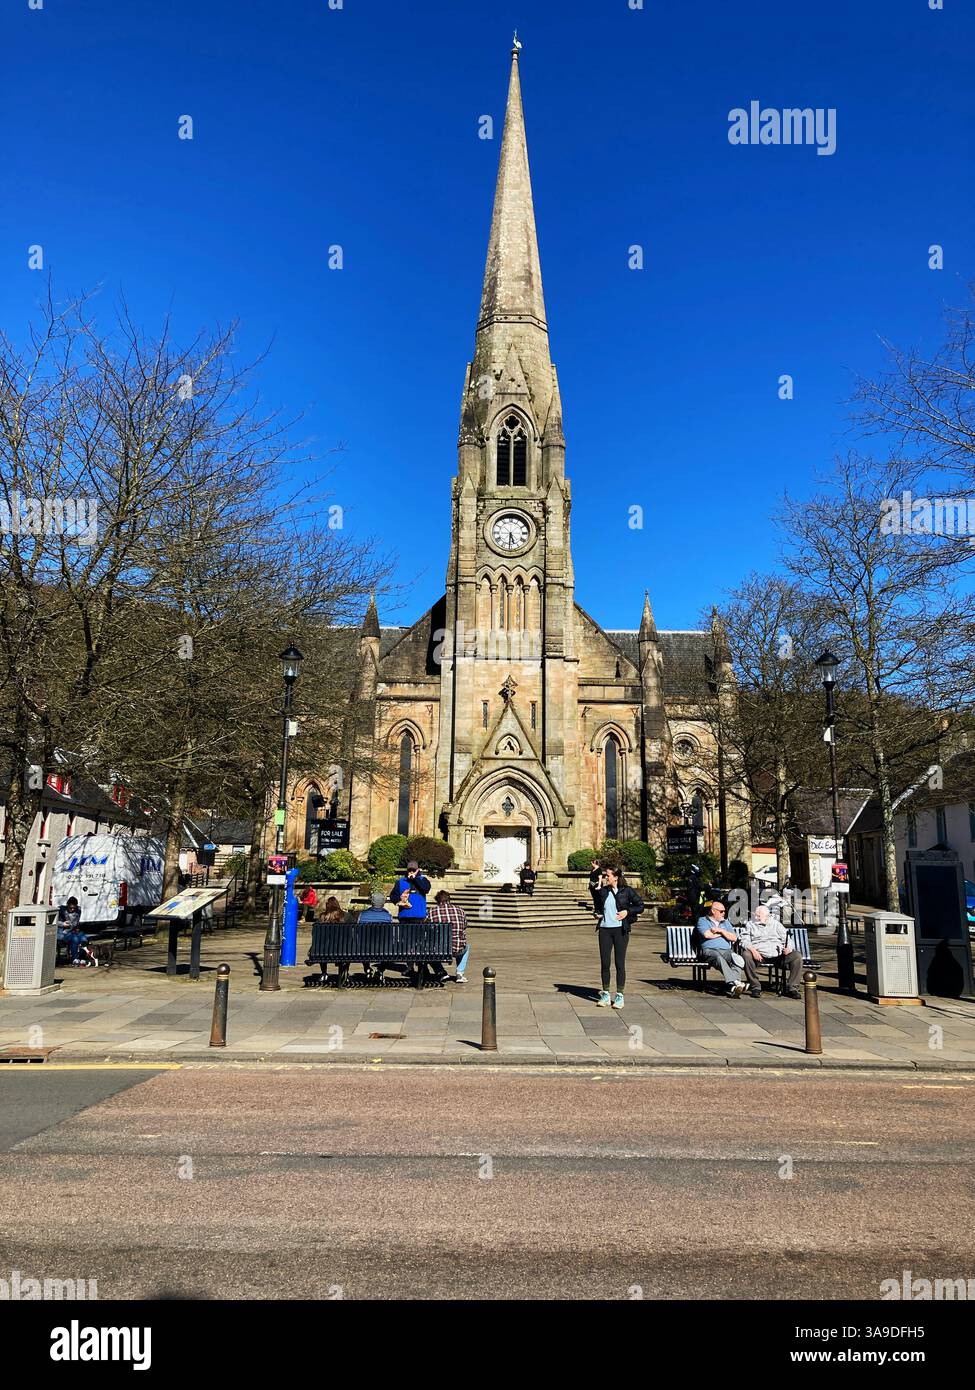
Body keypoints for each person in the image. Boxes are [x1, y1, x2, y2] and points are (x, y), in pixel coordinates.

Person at [591, 865, 644, 1009]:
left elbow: (640, 905)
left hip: (620, 930)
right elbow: (597, 908)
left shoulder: (627, 891)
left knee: (619, 963)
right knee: (605, 963)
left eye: (608, 875)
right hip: (605, 930)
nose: (606, 877)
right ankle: (606, 994)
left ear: (615, 877)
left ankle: (620, 995)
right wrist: (597, 914)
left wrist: (627, 911)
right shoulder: (603, 892)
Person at [738, 903, 803, 999]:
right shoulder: (750, 925)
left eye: (758, 915)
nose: (756, 917)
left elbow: (787, 938)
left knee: (797, 956)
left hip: (779, 956)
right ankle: (755, 986)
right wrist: (753, 950)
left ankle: (792, 988)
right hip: (759, 956)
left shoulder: (776, 924)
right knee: (746, 955)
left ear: (767, 916)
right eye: (755, 915)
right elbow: (744, 940)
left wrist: (788, 948)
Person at [694, 900, 745, 996]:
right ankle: (736, 982)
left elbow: (734, 938)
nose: (724, 913)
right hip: (709, 950)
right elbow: (707, 935)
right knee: (719, 958)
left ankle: (733, 987)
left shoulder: (726, 923)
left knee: (737, 959)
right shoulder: (703, 920)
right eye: (721, 911)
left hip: (726, 951)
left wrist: (720, 931)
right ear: (713, 911)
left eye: (724, 911)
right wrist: (724, 934)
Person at [427, 889, 469, 983]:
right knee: (466, 947)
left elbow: (427, 928)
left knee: (428, 950)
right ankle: (459, 973)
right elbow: (465, 925)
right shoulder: (460, 910)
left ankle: (441, 972)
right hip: (458, 949)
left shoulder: (431, 911)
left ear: (437, 901)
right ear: (449, 900)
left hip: (439, 950)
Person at [357, 890, 394, 984]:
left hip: (364, 949)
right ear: (383, 903)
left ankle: (367, 968)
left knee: (362, 946)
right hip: (383, 949)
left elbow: (357, 933)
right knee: (390, 951)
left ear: (372, 902)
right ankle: (380, 970)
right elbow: (391, 936)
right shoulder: (388, 916)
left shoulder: (362, 915)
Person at [316, 895, 346, 984]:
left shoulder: (322, 916)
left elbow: (316, 934)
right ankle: (344, 974)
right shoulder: (345, 915)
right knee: (346, 947)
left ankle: (324, 973)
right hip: (343, 950)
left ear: (327, 905)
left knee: (322, 947)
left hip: (324, 950)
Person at [57, 897, 95, 967]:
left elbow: (75, 923)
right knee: (75, 939)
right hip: (63, 933)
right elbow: (54, 921)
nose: (72, 909)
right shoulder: (61, 910)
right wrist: (63, 924)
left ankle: (82, 957)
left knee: (83, 938)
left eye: (74, 908)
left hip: (73, 930)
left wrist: (73, 926)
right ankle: (74, 959)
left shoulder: (78, 911)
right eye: (70, 908)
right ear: (67, 905)